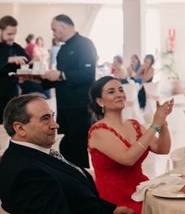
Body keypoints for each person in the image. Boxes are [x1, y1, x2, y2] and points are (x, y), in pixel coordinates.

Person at [0, 93, 135, 214]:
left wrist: (111, 209)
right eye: (45, 119)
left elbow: (75, 197)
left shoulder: (37, 151)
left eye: (52, 116)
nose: (56, 125)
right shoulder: (26, 172)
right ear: (20, 128)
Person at [88, 77, 173, 214]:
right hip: (116, 201)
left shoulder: (134, 124)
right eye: (111, 91)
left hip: (141, 191)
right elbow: (128, 159)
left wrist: (163, 123)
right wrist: (155, 125)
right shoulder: (98, 130)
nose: (119, 94)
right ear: (100, 101)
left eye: (121, 90)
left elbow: (162, 149)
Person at [41, 14, 97, 168]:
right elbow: (62, 80)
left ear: (63, 27)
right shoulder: (63, 49)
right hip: (64, 106)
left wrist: (59, 74)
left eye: (54, 29)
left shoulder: (84, 44)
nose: (53, 33)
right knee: (65, 147)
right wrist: (39, 79)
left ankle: (82, 183)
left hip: (80, 106)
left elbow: (87, 74)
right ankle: (69, 182)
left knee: (78, 148)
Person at [0, 15, 28, 125]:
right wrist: (9, 59)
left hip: (11, 91)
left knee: (10, 122)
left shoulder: (15, 46)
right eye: (9, 34)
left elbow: (27, 59)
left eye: (14, 34)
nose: (12, 37)